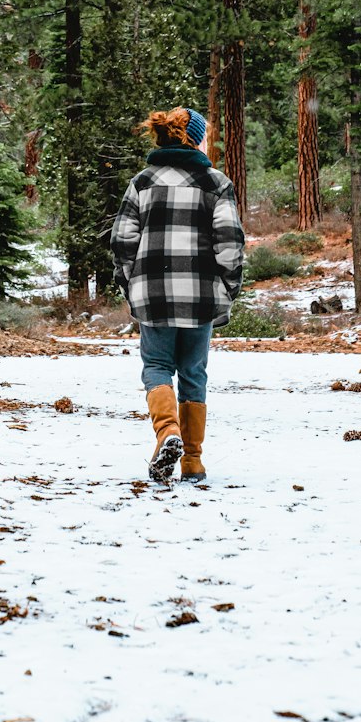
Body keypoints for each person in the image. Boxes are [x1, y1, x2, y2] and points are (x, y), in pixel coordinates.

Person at [110, 106, 245, 483]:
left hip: (153, 295)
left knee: (156, 367)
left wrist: (131, 284)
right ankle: (192, 461)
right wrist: (227, 287)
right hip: (201, 295)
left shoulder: (142, 183)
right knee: (193, 372)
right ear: (196, 138)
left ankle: (167, 432)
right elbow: (230, 245)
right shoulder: (216, 183)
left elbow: (121, 242)